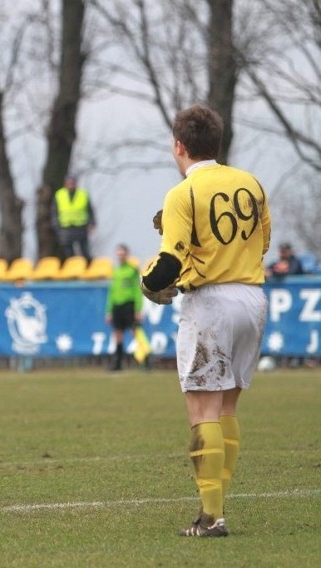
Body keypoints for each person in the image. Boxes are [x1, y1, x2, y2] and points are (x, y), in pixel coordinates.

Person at [140, 104, 271, 537]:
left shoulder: (182, 193)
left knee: (202, 409)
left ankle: (211, 516)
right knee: (227, 406)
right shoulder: (251, 184)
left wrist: (149, 282)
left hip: (210, 303)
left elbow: (168, 266)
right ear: (218, 143)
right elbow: (263, 242)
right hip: (252, 297)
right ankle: (217, 506)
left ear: (178, 145)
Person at [105, 244, 143, 372]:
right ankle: (118, 363)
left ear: (127, 255)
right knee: (118, 334)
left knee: (135, 332)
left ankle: (145, 359)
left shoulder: (132, 270)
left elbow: (137, 290)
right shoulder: (115, 271)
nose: (120, 256)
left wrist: (138, 309)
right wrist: (109, 310)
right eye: (118, 254)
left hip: (129, 304)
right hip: (117, 305)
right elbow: (112, 292)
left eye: (122, 254)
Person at [51, 174, 95, 262]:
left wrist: (92, 223)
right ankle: (72, 269)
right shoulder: (59, 195)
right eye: (69, 183)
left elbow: (90, 210)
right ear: (65, 184)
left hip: (81, 226)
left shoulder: (83, 194)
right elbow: (54, 212)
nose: (71, 185)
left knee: (85, 250)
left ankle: (87, 267)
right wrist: (56, 225)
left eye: (72, 183)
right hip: (65, 227)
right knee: (69, 253)